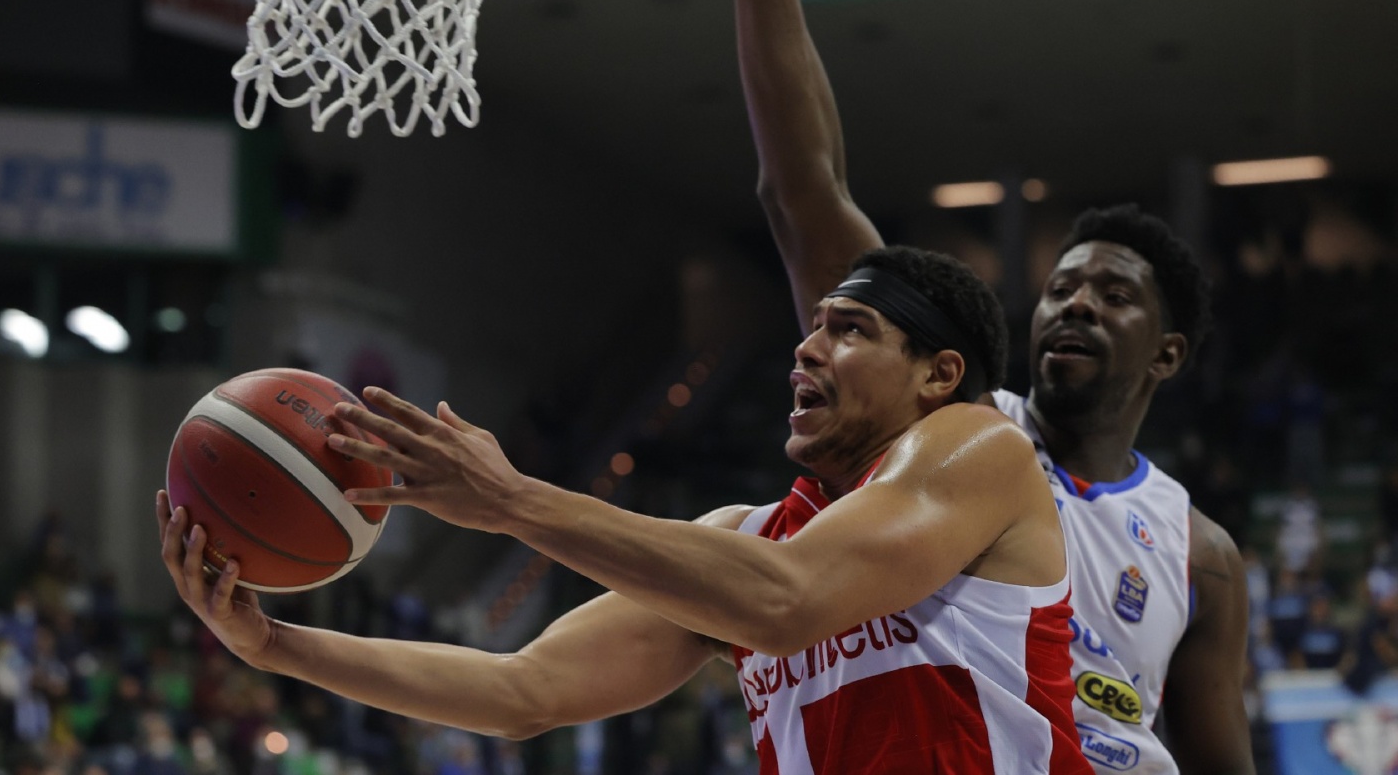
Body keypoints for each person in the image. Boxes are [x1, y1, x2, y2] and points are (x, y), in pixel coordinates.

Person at [658, 0, 1252, 775]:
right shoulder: (943, 425)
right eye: (1061, 284)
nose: (1074, 302)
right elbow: (803, 191)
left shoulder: (1200, 553)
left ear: (1167, 353)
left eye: (1113, 295)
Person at [160, 247, 1089, 774]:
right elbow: (523, 691)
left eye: (850, 329)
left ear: (940, 373)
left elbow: (789, 599)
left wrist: (513, 500)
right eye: (811, 327)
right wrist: (273, 644)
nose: (807, 350)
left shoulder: (981, 448)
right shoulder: (742, 540)